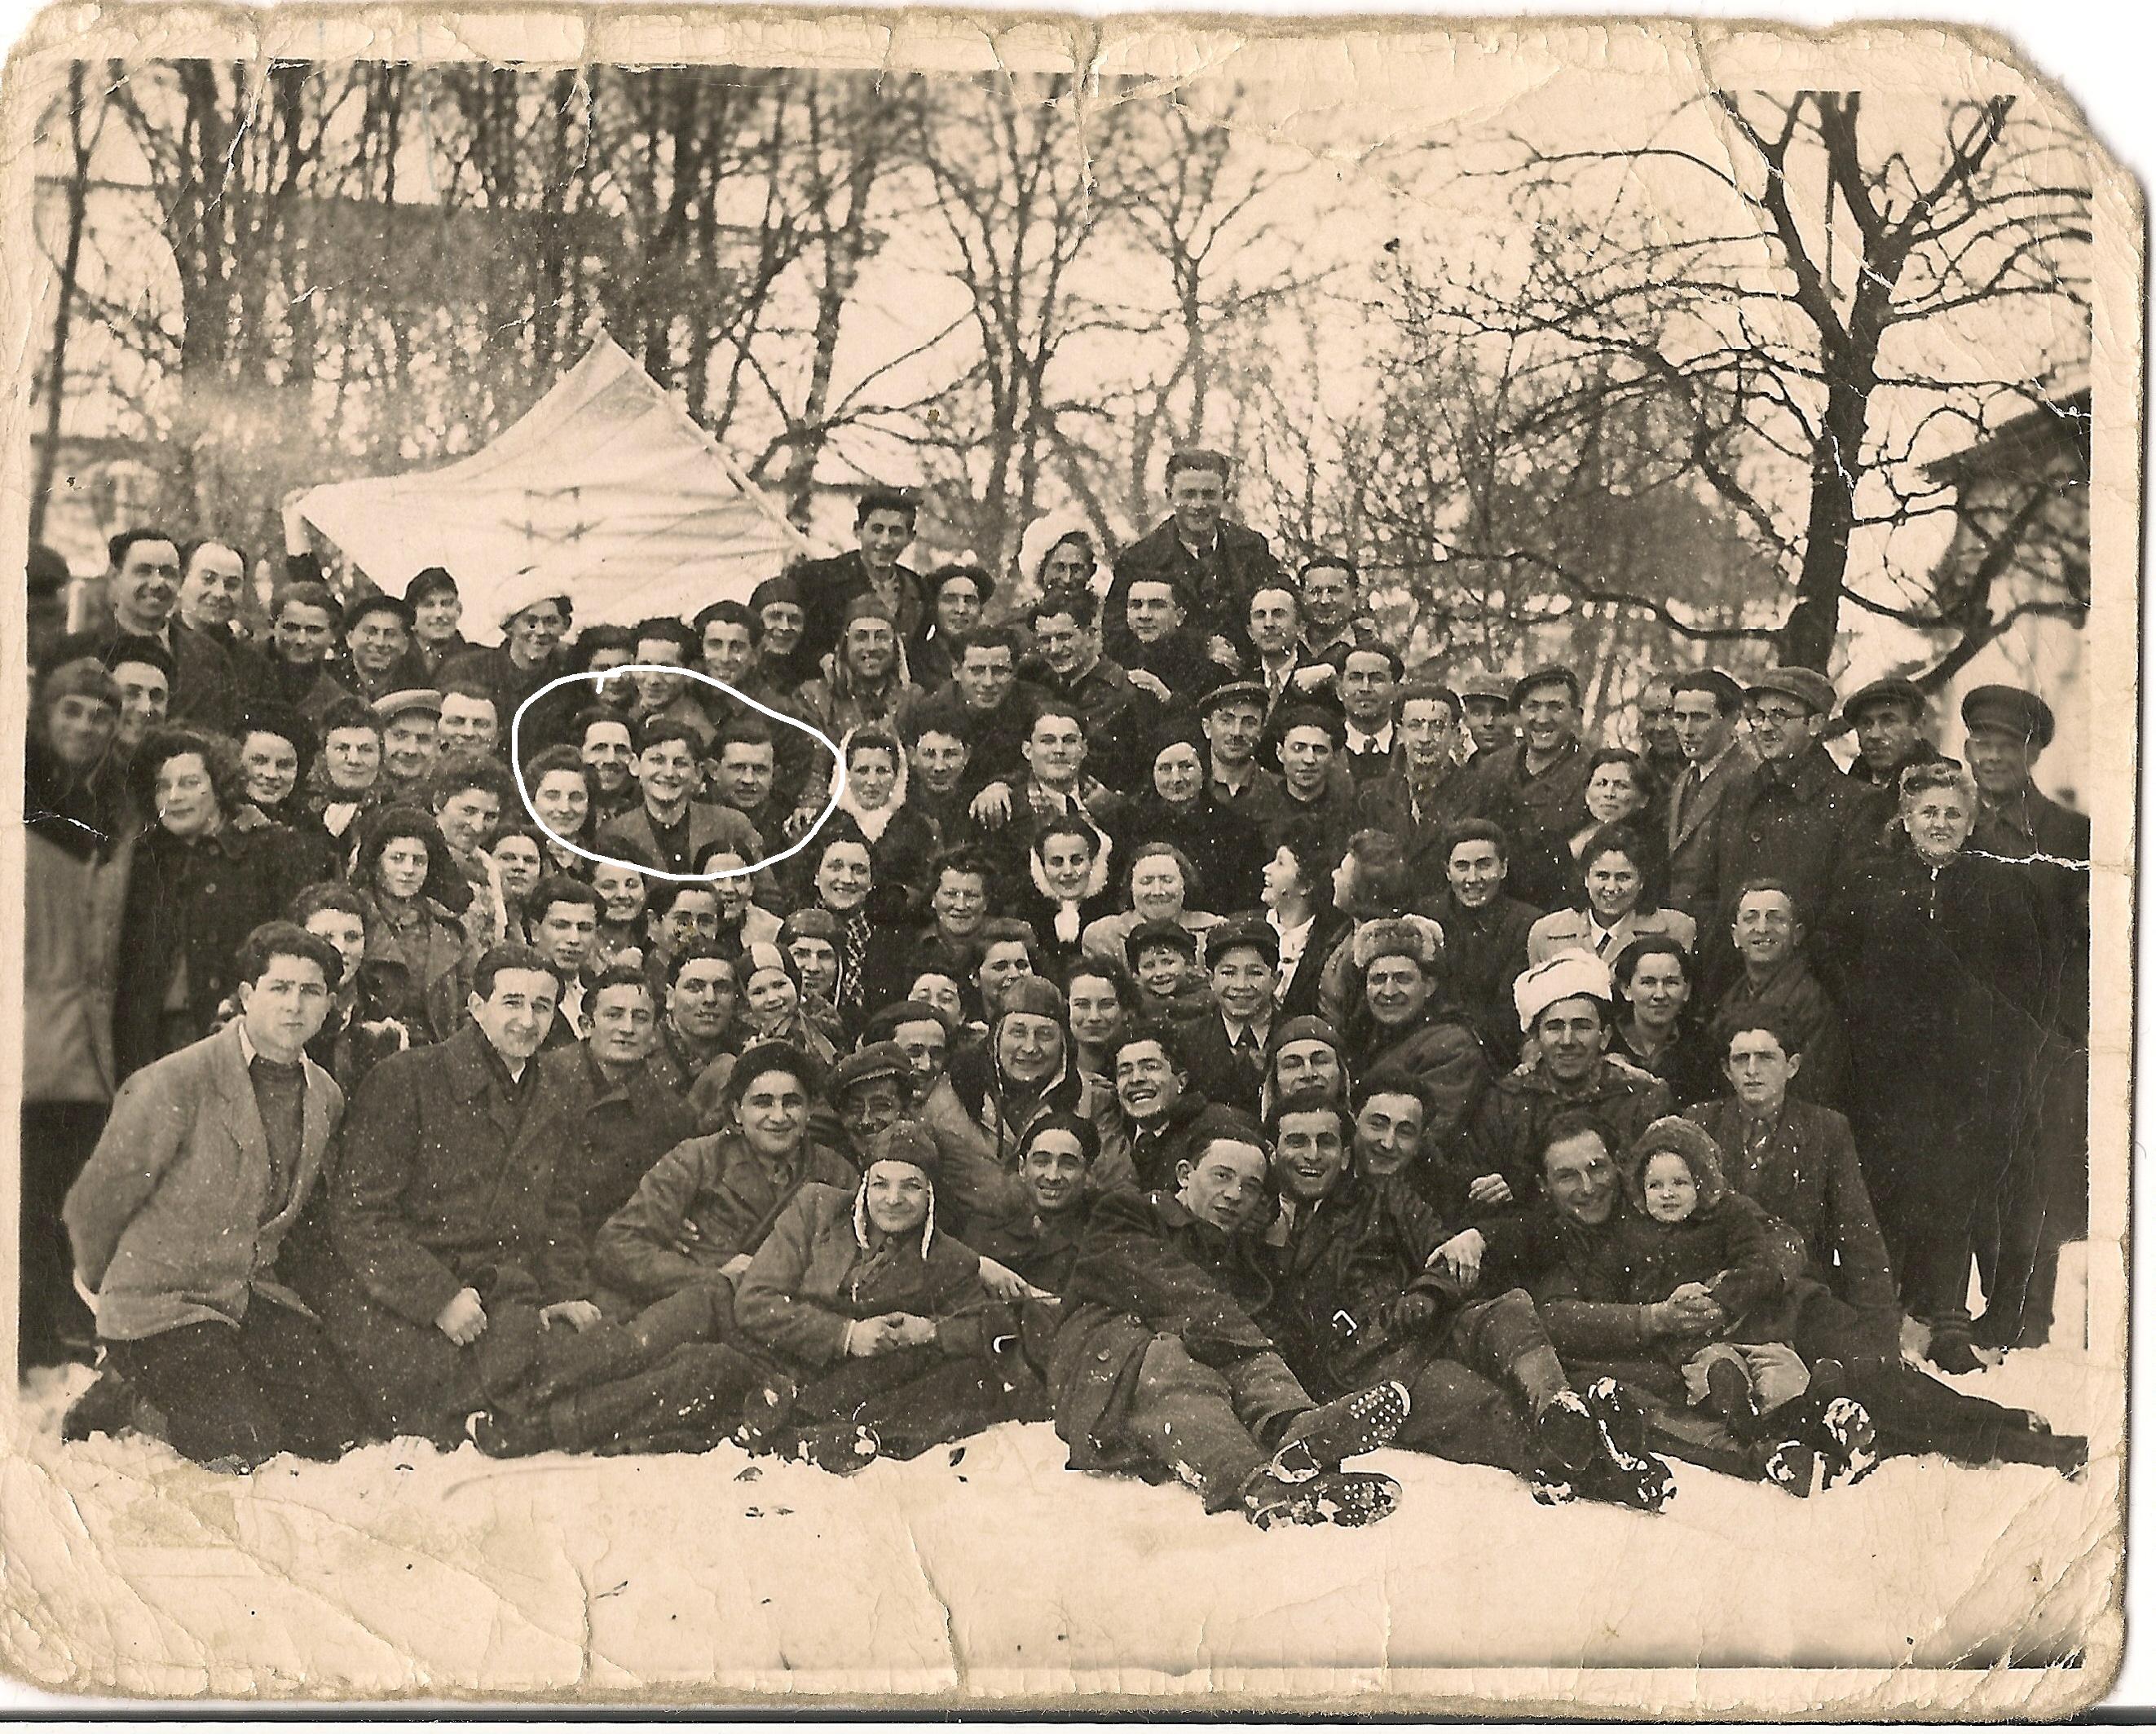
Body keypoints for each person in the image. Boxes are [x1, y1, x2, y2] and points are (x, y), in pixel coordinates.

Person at [1686, 1017, 2085, 1475]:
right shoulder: (1700, 1127)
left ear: (1792, 1066)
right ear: (1726, 1069)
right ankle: (2005, 1429)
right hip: (1730, 1309)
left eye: (1767, 1058)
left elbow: (1860, 1240)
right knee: (1844, 1400)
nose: (1753, 1070)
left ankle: (2018, 1438)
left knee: (1877, 1378)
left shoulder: (1823, 1130)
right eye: (1741, 1059)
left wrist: (1878, 1332)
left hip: (1799, 1301)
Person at [1259, 1089, 1673, 1508]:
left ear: (1346, 1155)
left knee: (1509, 1309)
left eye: (1326, 1142)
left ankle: (1558, 1405)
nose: (1312, 1155)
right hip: (1371, 1365)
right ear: (1273, 1151)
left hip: (1428, 1322)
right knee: (1484, 1405)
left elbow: (1443, 1253)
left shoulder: (1383, 1197)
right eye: (1297, 1142)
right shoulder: (1257, 1223)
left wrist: (1429, 1290)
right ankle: (1608, 1473)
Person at [64, 922, 368, 1468]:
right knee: (241, 1445)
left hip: (245, 1296)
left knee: (331, 1430)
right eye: (279, 987)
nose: (294, 1005)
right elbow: (96, 1202)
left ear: (329, 1003)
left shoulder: (325, 1094)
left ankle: (161, 1379)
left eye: (310, 990)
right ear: (248, 995)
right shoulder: (176, 1081)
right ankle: (131, 1391)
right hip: (162, 1303)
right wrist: (104, 1287)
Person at [1047, 1119, 1409, 1528]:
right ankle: (1260, 1487)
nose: (1235, 1195)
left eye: (1251, 1186)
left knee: (1247, 1358)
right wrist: (1251, 1338)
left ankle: (1296, 1427)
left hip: (1184, 1374)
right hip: (1106, 1369)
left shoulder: (1241, 1257)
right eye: (1222, 1176)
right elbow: (1170, 1287)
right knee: (1180, 1355)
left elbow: (1269, 1331)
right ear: (1185, 1175)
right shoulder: (1127, 1211)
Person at [1818, 759, 2057, 1373]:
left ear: (1970, 819)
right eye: (1928, 811)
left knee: (1954, 1183)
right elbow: (1834, 959)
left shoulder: (1998, 886)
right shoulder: (1869, 881)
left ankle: (1948, 1317)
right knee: (1886, 1181)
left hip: (1969, 1070)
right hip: (1885, 1067)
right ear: (1905, 815)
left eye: (1953, 812)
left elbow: (2027, 983)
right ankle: (1886, 1311)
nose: (1940, 822)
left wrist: (1995, 1046)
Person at [732, 1123, 1043, 1472]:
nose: (893, 1200)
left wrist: (929, 1332)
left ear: (930, 1194)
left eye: (910, 1186)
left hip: (866, 1381)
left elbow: (988, 1332)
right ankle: (796, 1421)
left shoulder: (949, 1258)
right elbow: (755, 1301)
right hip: (788, 1358)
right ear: (864, 1185)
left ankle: (837, 1435)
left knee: (969, 1378)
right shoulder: (816, 1209)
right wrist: (846, 1335)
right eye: (881, 1184)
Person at [1590, 1117, 1822, 1459]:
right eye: (1655, 1186)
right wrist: (1669, 1304)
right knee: (1713, 1373)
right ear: (1640, 1190)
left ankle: (1810, 1415)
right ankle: (1740, 1414)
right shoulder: (1633, 1233)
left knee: (1780, 1372)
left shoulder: (1731, 1216)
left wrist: (1723, 1299)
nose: (1667, 1194)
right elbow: (1619, 1289)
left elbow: (1758, 1264)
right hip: (1698, 1343)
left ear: (1702, 1182)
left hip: (1753, 1329)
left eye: (1680, 1182)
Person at [23, 659, 133, 1366]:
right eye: (73, 710)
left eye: (101, 714)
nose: (87, 725)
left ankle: (55, 1322)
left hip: (89, 1041)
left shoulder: (115, 808)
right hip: (29, 1033)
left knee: (71, 1190)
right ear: (44, 713)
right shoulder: (20, 795)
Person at [593, 1039, 858, 1306]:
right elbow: (617, 1246)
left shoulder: (836, 1175)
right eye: (762, 1103)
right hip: (698, 1311)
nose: (778, 1117)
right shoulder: (696, 1160)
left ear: (810, 1110)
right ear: (737, 1112)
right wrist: (711, 1278)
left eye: (791, 1103)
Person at [114, 726, 303, 1081]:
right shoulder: (142, 863)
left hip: (234, 1041)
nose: (174, 797)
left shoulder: (268, 852)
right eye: (162, 786)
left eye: (189, 783)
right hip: (151, 1044)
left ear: (218, 786)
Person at [1457, 951, 1673, 1211]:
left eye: (1582, 1026)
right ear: (1536, 1039)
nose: (1568, 1041)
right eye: (1555, 1027)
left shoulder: (1641, 1097)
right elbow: (1476, 1175)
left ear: (1604, 1037)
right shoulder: (1505, 1101)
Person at [1706, 666, 1864, 994]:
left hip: (1808, 989)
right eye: (1759, 715)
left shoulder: (1854, 803)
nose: (1765, 726)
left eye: (1780, 715)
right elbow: (1712, 890)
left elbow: (1846, 914)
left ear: (1816, 725)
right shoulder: (1736, 794)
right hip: (1730, 985)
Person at [553, 964, 699, 1254]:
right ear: (586, 1025)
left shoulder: (672, 1114)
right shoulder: (545, 1081)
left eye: (641, 1018)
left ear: (654, 1032)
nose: (627, 1029)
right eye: (614, 1015)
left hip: (614, 1247)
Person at [1104, 448, 1285, 660]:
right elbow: (1116, 638)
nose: (1198, 506)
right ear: (1169, 496)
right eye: (1188, 494)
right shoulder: (1140, 559)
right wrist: (1199, 646)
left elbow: (1280, 607)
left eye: (1209, 495)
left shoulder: (1251, 547)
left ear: (1225, 496)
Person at [1345, 916, 1489, 1167]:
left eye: (1402, 979)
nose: (1388, 992)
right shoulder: (1364, 1036)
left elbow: (1425, 1136)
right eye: (1378, 979)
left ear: (1429, 986)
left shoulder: (1452, 1046)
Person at [1707, 879, 1852, 1114]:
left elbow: (1815, 1095)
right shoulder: (1729, 1001)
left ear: (1797, 934)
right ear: (1735, 935)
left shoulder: (1814, 1005)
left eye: (1776, 918)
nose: (1763, 928)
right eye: (1751, 918)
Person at [1470, 664, 1594, 910]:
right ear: (1518, 714)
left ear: (1576, 716)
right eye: (1533, 707)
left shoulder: (1594, 776)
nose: (1542, 719)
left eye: (1556, 707)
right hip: (1494, 911)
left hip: (1557, 911)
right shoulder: (1493, 767)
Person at [348, 804, 476, 1042]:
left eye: (419, 861)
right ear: (376, 864)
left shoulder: (449, 929)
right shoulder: (354, 921)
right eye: (397, 859)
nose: (409, 870)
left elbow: (469, 1007)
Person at [1114, 717, 1268, 914]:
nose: (1176, 778)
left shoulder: (1238, 831)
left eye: (1186, 766)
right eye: (1165, 769)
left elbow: (1246, 908)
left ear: (1204, 771)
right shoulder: (1130, 828)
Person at [597, 716, 765, 883]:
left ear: (698, 773)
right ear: (635, 765)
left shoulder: (731, 825)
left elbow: (768, 895)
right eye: (657, 760)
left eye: (680, 763)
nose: (669, 773)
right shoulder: (615, 833)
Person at [1023, 586, 1156, 796]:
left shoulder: (1119, 692)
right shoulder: (1040, 680)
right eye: (1045, 640)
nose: (1055, 649)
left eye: (1065, 637)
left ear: (1091, 635)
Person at [1426, 820, 1537, 1067]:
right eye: (1462, 867)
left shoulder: (1528, 924)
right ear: (1447, 871)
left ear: (1504, 868)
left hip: (1501, 1054)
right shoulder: (1426, 917)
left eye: (1484, 865)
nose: (1473, 879)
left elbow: (1512, 1011)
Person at [1664, 667, 1758, 937]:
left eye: (1700, 718)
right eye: (1679, 717)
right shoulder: (1684, 779)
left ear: (1733, 719)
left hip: (1718, 936)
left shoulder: (1750, 777)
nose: (1687, 730)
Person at [1353, 677, 1473, 885]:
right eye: (1415, 726)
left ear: (1454, 734)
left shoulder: (1477, 793)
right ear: (1400, 733)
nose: (1425, 738)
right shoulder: (1371, 796)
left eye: (1437, 727)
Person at [968, 1112, 1102, 1295]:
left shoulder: (1099, 1240)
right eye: (1041, 1162)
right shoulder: (986, 1232)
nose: (1052, 1176)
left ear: (1088, 1174)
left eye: (1068, 1165)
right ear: (1022, 1168)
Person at [1526, 823, 1695, 965]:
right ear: (1586, 878)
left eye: (1624, 877)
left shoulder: (1676, 929)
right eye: (1602, 876)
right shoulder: (1545, 933)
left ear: (1642, 881)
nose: (1612, 887)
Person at [792, 488, 925, 668]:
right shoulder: (819, 578)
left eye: (895, 532)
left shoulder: (917, 589)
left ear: (910, 537)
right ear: (858, 530)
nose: (885, 541)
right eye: (877, 530)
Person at [1171, 917, 1281, 1116]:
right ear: (1211, 979)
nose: (1241, 985)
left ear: (1275, 979)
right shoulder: (1186, 1040)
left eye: (1255, 973)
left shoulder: (1291, 1033)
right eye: (1228, 973)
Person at [1608, 938, 1724, 1109]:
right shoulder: (1606, 1043)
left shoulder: (1705, 1048)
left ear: (1687, 990)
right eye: (1648, 983)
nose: (1660, 994)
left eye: (1671, 983)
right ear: (1626, 989)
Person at [1259, 826, 1354, 1023]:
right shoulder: (1248, 925)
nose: (1266, 869)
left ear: (1306, 886)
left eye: (1280, 863)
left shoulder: (1331, 942)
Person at [1107, 1024, 1215, 1192]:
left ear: (1181, 1081)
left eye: (1150, 1067)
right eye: (1125, 1071)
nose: (1136, 1079)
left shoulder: (1209, 1133)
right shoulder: (1111, 1130)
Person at [910, 563, 994, 695]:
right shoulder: (914, 659)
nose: (961, 610)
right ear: (933, 609)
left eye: (970, 601)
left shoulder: (991, 661)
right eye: (950, 600)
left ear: (981, 611)